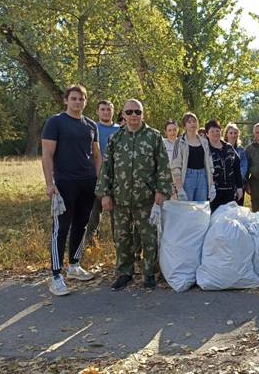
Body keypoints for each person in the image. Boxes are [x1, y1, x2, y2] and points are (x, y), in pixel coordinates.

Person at [95, 99, 172, 290]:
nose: (133, 116)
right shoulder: (116, 138)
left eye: (137, 112)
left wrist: (162, 191)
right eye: (129, 112)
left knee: (149, 238)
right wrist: (105, 194)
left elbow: (163, 166)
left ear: (142, 114)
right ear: (123, 114)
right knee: (122, 238)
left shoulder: (153, 137)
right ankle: (124, 273)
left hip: (146, 199)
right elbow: (107, 168)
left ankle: (149, 274)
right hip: (120, 199)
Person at [41, 85, 101, 296]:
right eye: (74, 99)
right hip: (64, 183)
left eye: (81, 99)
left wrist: (98, 181)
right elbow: (47, 155)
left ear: (85, 102)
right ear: (66, 100)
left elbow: (96, 156)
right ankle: (55, 276)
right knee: (61, 228)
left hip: (87, 183)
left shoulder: (91, 125)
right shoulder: (55, 122)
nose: (77, 102)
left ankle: (74, 266)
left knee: (81, 225)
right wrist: (50, 183)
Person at [87, 101, 120, 244]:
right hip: (95, 176)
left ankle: (118, 246)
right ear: (97, 111)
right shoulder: (91, 128)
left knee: (117, 216)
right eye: (103, 109)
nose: (106, 112)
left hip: (117, 178)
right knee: (93, 215)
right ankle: (88, 244)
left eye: (109, 109)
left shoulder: (120, 130)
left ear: (113, 111)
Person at [171, 112, 215, 202]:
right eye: (189, 122)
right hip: (187, 178)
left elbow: (210, 165)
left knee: (200, 209)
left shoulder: (204, 142)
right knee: (187, 210)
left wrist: (212, 185)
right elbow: (175, 166)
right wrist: (179, 188)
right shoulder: (179, 142)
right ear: (184, 125)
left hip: (203, 178)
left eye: (194, 121)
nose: (192, 124)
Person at [205, 119, 244, 212]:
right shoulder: (205, 150)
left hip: (230, 191)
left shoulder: (229, 147)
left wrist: (239, 187)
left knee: (230, 220)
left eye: (217, 131)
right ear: (207, 134)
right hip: (213, 193)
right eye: (212, 131)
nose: (215, 133)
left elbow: (236, 168)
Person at [224, 122, 248, 206]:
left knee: (238, 207)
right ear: (226, 134)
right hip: (225, 185)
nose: (233, 135)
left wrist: (236, 180)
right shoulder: (222, 148)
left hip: (239, 185)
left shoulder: (241, 150)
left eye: (235, 133)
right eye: (231, 133)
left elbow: (244, 166)